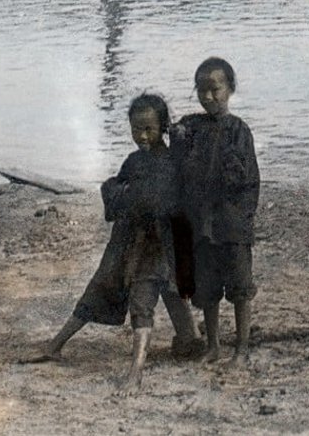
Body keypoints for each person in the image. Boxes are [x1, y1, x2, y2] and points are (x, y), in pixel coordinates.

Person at [21, 93, 202, 393]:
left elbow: (170, 200)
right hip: (130, 240)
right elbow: (122, 192)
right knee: (104, 287)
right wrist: (121, 192)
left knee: (152, 296)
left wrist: (134, 195)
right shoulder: (134, 161)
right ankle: (55, 345)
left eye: (149, 129)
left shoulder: (173, 161)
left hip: (160, 243)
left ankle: (137, 372)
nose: (142, 136)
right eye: (136, 130)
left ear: (163, 127)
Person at [171, 57, 259, 368]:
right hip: (201, 223)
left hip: (231, 223)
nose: (207, 96)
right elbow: (177, 163)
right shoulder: (191, 127)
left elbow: (249, 181)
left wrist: (243, 221)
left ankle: (242, 347)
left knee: (239, 287)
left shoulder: (238, 130)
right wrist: (177, 136)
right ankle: (213, 345)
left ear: (230, 89)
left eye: (215, 89)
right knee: (206, 288)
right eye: (201, 90)